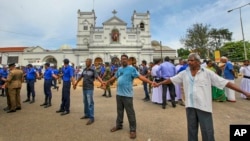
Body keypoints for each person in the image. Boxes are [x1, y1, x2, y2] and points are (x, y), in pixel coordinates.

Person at [155, 53, 250, 141]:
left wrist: (244, 92)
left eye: (192, 60)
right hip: (190, 106)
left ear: (198, 62)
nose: (189, 62)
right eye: (188, 60)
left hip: (203, 107)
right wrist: (159, 83)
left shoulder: (207, 73)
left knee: (207, 131)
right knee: (191, 130)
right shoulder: (184, 73)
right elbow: (171, 80)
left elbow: (225, 83)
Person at [104, 54, 154, 139]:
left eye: (125, 59)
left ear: (127, 60)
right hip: (119, 94)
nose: (123, 60)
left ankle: (133, 130)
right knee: (119, 111)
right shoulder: (119, 69)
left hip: (127, 95)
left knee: (130, 113)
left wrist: (150, 82)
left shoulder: (131, 69)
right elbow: (114, 77)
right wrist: (107, 82)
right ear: (120, 60)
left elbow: (140, 77)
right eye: (122, 59)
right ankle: (119, 125)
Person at [73, 58, 103, 125]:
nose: (86, 63)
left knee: (90, 103)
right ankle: (86, 114)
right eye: (85, 61)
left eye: (87, 61)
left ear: (90, 62)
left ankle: (91, 117)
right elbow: (81, 77)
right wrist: (76, 83)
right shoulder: (84, 69)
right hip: (84, 88)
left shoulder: (93, 70)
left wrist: (102, 82)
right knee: (85, 102)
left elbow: (97, 77)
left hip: (90, 88)